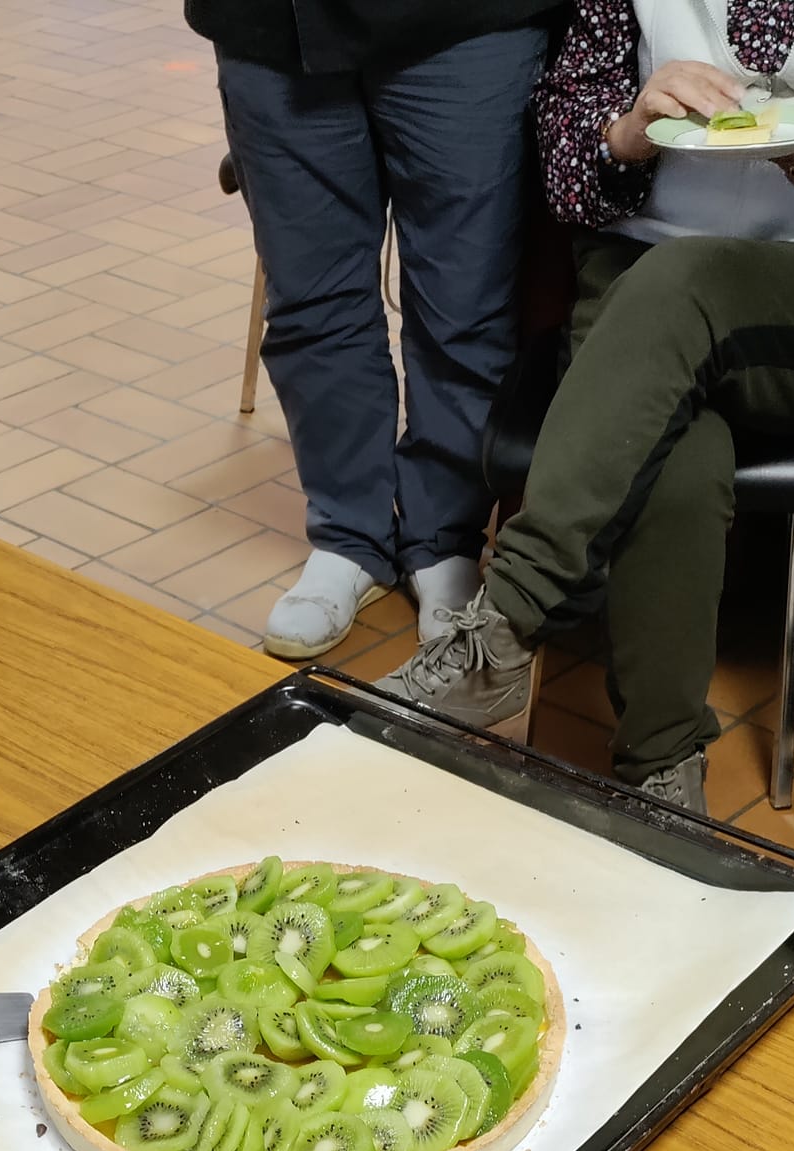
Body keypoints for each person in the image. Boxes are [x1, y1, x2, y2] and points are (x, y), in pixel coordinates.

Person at [378, 0, 794, 799]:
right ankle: (665, 772)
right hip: (638, 278)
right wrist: (625, 132)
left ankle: (506, 621)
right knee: (671, 449)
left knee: (682, 287)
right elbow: (563, 143)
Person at [187, 0, 558, 660]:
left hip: (472, 25)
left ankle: (445, 540)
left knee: (465, 306)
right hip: (271, 23)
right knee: (312, 299)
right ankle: (346, 534)